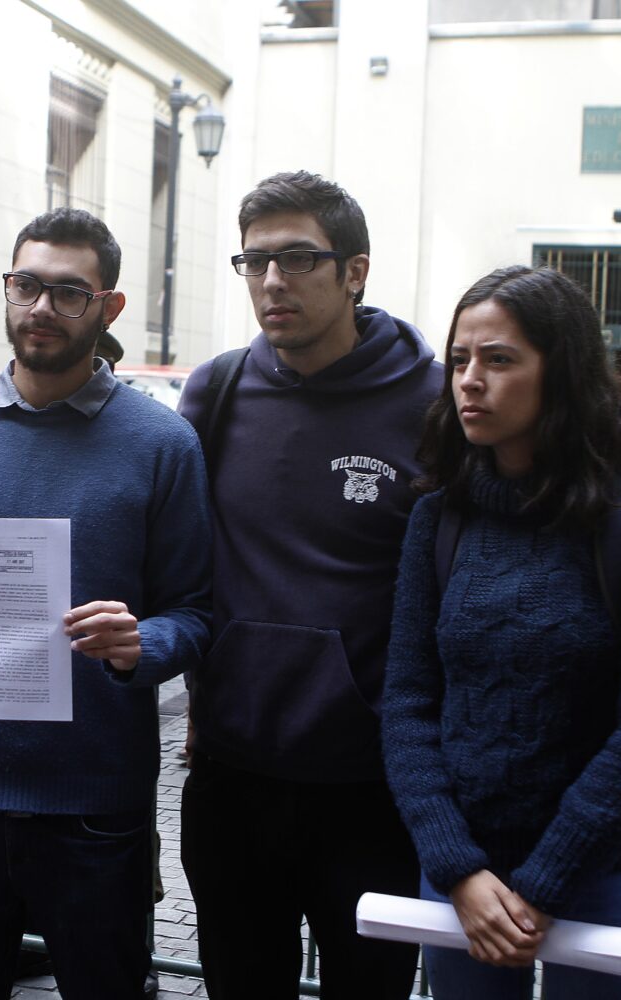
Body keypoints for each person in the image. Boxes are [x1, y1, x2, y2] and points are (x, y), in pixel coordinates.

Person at [0, 207, 211, 1000]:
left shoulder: (162, 445)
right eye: (25, 285)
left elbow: (195, 613)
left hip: (93, 805)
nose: (40, 307)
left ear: (108, 307)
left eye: (67, 292)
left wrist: (142, 644)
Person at [382, 265, 621, 1000]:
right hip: (464, 880)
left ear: (562, 372)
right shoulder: (439, 518)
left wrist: (547, 880)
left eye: (498, 359)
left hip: (599, 876)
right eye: (459, 360)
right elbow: (406, 703)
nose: (469, 381)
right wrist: (457, 867)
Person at [177, 170, 436, 999]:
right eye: (253, 262)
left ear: (354, 271)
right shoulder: (216, 392)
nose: (271, 282)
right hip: (232, 777)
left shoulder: (434, 403)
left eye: (296, 258)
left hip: (371, 789)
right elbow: (180, 564)